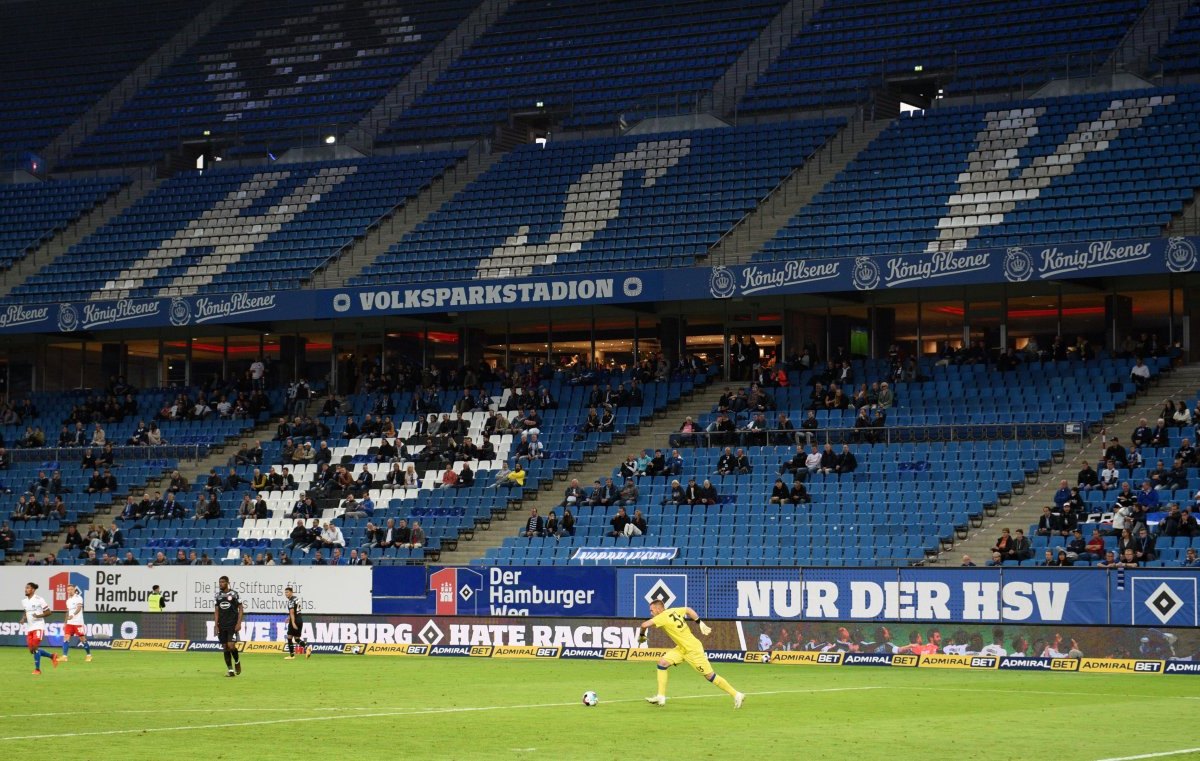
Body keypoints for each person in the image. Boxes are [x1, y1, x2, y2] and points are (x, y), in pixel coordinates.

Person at [636, 599, 743, 709]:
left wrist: (641, 636)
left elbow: (644, 625)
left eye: (651, 610)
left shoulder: (662, 617)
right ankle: (661, 696)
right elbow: (688, 610)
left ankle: (736, 694)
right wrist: (699, 622)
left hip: (693, 650)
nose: (651, 613)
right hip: (682, 648)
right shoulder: (674, 610)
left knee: (710, 676)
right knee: (662, 663)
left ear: (658, 609)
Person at [21, 582, 59, 675]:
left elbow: (49, 612)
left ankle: (37, 670)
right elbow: (26, 611)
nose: (26, 589)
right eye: (25, 588)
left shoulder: (39, 599)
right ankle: (52, 656)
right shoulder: (24, 601)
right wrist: (23, 618)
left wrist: (38, 615)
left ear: (33, 590)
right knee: (32, 651)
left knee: (35, 648)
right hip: (30, 628)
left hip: (38, 626)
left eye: (28, 588)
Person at [214, 576, 244, 677]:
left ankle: (237, 661)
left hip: (232, 624)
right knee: (225, 647)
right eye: (219, 582)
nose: (220, 584)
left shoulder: (234, 594)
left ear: (227, 583)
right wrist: (216, 625)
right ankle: (230, 670)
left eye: (222, 582)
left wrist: (239, 623)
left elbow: (240, 608)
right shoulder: (217, 595)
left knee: (231, 645)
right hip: (222, 625)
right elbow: (217, 610)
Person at [60, 583, 92, 662]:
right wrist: (65, 622)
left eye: (71, 589)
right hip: (70, 623)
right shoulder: (68, 600)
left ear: (74, 590)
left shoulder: (78, 598)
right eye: (68, 590)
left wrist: (73, 615)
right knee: (66, 638)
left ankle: (89, 655)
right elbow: (68, 612)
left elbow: (79, 608)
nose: (69, 591)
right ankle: (64, 656)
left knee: (82, 639)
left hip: (78, 622)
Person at [283, 586, 310, 660]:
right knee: (297, 639)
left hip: (294, 620)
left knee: (289, 637)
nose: (286, 594)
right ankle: (307, 648)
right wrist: (289, 618)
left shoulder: (291, 601)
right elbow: (295, 611)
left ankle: (291, 656)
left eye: (287, 592)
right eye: (285, 592)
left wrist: (293, 622)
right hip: (300, 619)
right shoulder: (296, 599)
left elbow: (292, 612)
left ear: (291, 592)